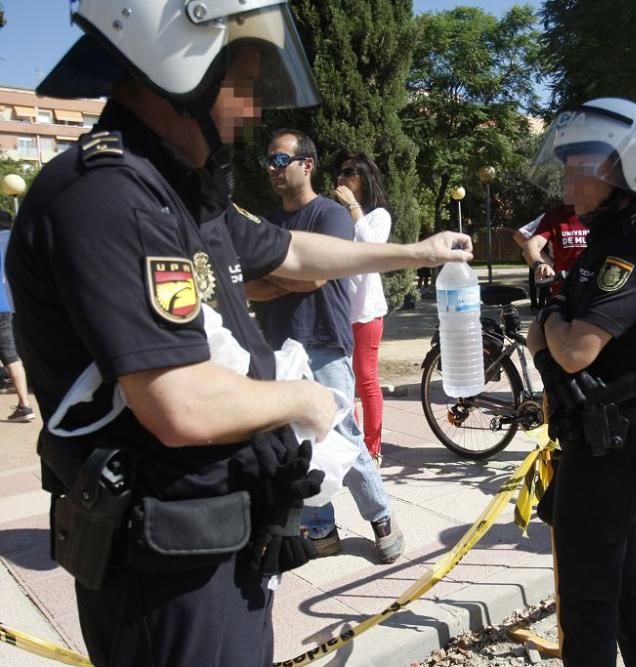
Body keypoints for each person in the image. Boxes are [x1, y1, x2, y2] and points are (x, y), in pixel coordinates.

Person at [6, 3, 470, 665]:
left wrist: (417, 254)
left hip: (214, 542)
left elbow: (293, 254)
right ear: (180, 64)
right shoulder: (110, 195)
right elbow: (181, 403)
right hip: (164, 568)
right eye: (244, 83)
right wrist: (308, 401)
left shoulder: (179, 189)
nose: (252, 111)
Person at [526, 97, 636, 666]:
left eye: (579, 162)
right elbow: (547, 338)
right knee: (623, 585)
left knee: (588, 603)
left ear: (625, 167)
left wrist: (549, 314)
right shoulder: (609, 239)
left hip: (613, 447)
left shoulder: (633, 249)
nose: (567, 175)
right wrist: (554, 318)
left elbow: (570, 351)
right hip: (607, 441)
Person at [246, 132, 403, 564]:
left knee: (343, 436)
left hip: (324, 341)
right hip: (282, 346)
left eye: (281, 158)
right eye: (270, 159)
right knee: (301, 443)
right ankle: (322, 528)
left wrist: (279, 273)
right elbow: (249, 287)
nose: (273, 167)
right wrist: (288, 274)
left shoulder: (330, 215)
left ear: (307, 164)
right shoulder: (268, 224)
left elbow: (315, 276)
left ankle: (381, 516)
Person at [333, 152, 391, 467]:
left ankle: (372, 449)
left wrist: (353, 208)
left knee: (366, 378)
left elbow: (372, 248)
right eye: (340, 173)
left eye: (349, 173)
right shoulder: (335, 215)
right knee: (343, 381)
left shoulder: (377, 215)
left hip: (367, 311)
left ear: (364, 179)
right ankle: (351, 446)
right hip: (339, 310)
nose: (342, 178)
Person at [0, 210, 33, 421]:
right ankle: (25, 403)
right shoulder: (19, 238)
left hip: (7, 300)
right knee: (13, 354)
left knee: (13, 352)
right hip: (18, 300)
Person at [521, 204, 589, 296]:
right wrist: (540, 264)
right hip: (563, 291)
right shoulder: (554, 214)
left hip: (595, 291)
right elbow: (531, 245)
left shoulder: (601, 214)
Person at [513, 213, 553, 309]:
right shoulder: (550, 216)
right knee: (536, 281)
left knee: (542, 283)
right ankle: (535, 305)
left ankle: (541, 304)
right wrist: (541, 257)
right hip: (538, 259)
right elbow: (520, 235)